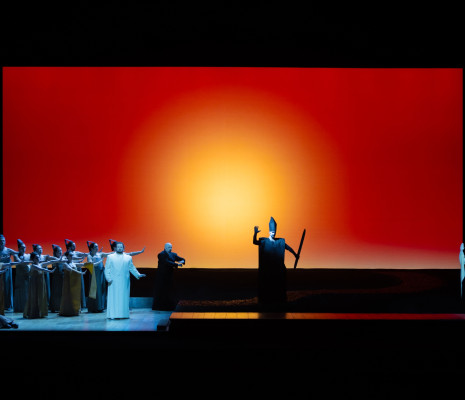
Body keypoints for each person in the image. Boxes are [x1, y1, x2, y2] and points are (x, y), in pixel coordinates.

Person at [253, 217, 299, 309]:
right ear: (269, 232)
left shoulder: (279, 242)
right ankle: (266, 300)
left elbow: (288, 247)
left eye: (274, 233)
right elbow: (255, 242)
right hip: (267, 268)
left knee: (279, 282)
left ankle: (279, 300)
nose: (273, 234)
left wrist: (295, 254)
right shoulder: (264, 241)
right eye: (271, 232)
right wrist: (255, 234)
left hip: (277, 268)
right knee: (267, 284)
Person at [104, 241, 145, 319]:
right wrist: (108, 278)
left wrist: (138, 274)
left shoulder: (128, 257)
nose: (120, 248)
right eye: (118, 247)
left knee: (123, 297)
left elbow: (131, 267)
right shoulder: (110, 257)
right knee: (114, 297)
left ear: (123, 248)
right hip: (113, 281)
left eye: (121, 247)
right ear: (115, 248)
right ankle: (113, 315)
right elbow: (107, 268)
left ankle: (124, 314)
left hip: (124, 281)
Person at [23, 252, 58, 319]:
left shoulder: (40, 264)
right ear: (33, 259)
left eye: (38, 257)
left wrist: (58, 260)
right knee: (34, 296)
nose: (38, 259)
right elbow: (41, 269)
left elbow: (49, 262)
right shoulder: (33, 266)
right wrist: (49, 271)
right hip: (34, 284)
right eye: (36, 258)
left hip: (41, 283)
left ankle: (41, 312)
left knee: (41, 296)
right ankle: (33, 312)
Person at [152, 243, 185, 311]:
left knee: (169, 291)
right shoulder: (161, 254)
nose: (171, 248)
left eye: (171, 247)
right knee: (161, 291)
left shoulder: (173, 254)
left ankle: (170, 307)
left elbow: (180, 258)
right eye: (169, 247)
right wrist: (177, 264)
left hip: (169, 276)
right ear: (165, 247)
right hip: (161, 277)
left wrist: (183, 261)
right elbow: (166, 262)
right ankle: (159, 307)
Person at [59, 251, 87, 316]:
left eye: (72, 255)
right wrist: (81, 273)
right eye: (70, 255)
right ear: (67, 256)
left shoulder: (73, 262)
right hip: (68, 282)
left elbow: (81, 264)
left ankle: (75, 309)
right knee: (69, 295)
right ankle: (69, 310)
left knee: (75, 294)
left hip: (74, 281)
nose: (72, 257)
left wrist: (89, 264)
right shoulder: (65, 264)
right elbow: (70, 269)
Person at [32, 243, 60, 308]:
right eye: (39, 249)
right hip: (37, 275)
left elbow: (51, 258)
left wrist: (58, 259)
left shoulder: (44, 256)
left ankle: (46, 303)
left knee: (46, 288)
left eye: (41, 248)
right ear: (35, 250)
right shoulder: (34, 258)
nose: (41, 250)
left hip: (45, 274)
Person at [86, 241, 108, 313]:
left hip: (101, 273)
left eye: (97, 247)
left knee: (101, 289)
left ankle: (101, 306)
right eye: (95, 247)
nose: (97, 248)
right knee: (95, 289)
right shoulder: (90, 256)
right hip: (94, 274)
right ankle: (96, 307)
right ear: (91, 248)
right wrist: (100, 261)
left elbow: (109, 254)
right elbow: (91, 264)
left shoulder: (100, 254)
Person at [0, 234, 19, 312]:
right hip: (0, 270)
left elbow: (16, 253)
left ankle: (8, 305)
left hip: (7, 271)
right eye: (1, 241)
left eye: (3, 241)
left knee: (8, 287)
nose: (2, 242)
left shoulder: (8, 250)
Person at [13, 239, 31, 313]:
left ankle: (26, 307)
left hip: (26, 275)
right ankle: (19, 307)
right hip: (19, 276)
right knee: (20, 291)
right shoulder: (16, 255)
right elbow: (19, 262)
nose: (24, 249)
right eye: (22, 248)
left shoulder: (28, 255)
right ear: (19, 249)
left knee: (26, 291)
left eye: (24, 248)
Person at [49, 244, 66, 313]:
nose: (61, 252)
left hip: (62, 277)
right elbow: (58, 261)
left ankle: (61, 306)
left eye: (61, 250)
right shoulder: (54, 259)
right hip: (56, 278)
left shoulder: (63, 258)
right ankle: (55, 307)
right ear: (55, 253)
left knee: (62, 292)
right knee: (56, 292)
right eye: (59, 251)